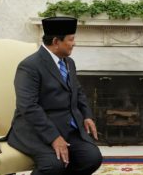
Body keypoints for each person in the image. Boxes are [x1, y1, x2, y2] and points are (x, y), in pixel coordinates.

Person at [7, 17, 102, 175]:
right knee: (53, 165)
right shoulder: (29, 66)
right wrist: (54, 137)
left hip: (67, 127)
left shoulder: (68, 62)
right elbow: (28, 107)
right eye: (71, 39)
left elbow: (78, 92)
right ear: (57, 41)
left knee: (91, 158)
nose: (74, 43)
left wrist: (86, 115)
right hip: (35, 131)